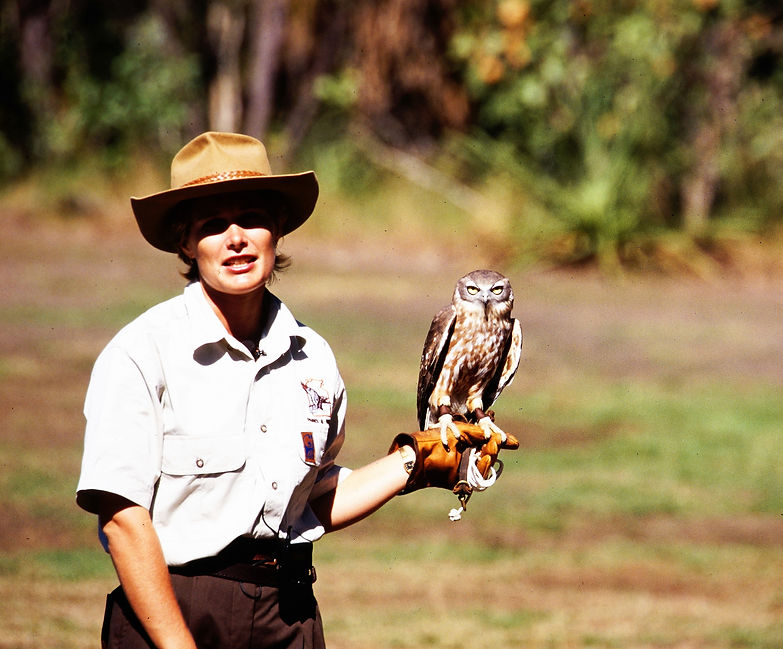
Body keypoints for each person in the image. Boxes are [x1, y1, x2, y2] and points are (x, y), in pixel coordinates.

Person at [76, 131, 515, 649]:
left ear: (278, 229)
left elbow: (314, 500)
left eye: (252, 218)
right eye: (213, 225)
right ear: (185, 242)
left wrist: (415, 463)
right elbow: (125, 523)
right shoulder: (142, 353)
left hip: (289, 615)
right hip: (174, 613)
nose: (236, 238)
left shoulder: (313, 358)